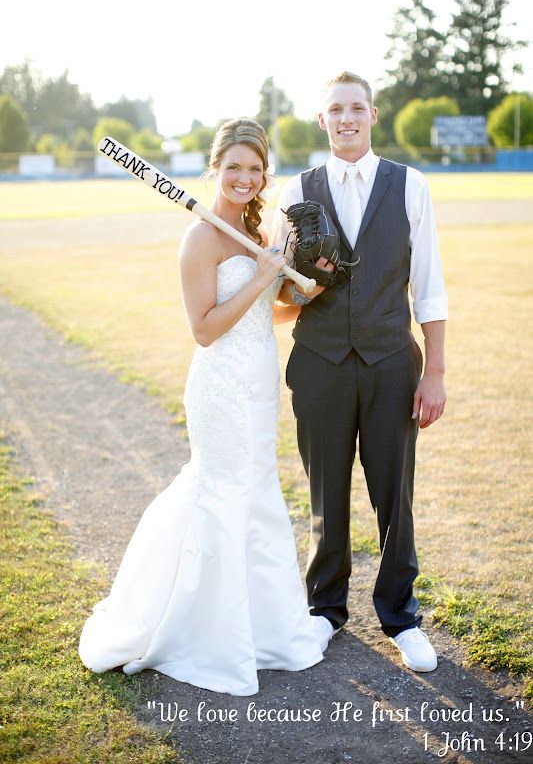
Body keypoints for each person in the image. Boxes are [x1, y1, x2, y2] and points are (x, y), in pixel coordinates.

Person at [79, 118, 323, 696]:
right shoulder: (201, 237)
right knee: (221, 493)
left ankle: (268, 628)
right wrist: (262, 273)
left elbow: (265, 314)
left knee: (259, 495)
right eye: (233, 167)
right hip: (219, 389)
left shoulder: (256, 233)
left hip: (260, 384)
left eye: (254, 168)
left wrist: (304, 290)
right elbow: (207, 329)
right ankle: (205, 634)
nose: (244, 178)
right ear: (215, 169)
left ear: (266, 175)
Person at [272, 72, 447, 673]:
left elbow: (429, 288)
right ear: (322, 120)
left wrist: (437, 373)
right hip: (318, 363)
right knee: (326, 492)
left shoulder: (410, 185)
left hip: (391, 363)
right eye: (334, 110)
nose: (346, 118)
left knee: (395, 494)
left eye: (356, 108)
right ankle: (324, 610)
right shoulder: (296, 188)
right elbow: (280, 295)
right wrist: (307, 281)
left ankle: (400, 615)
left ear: (372, 114)